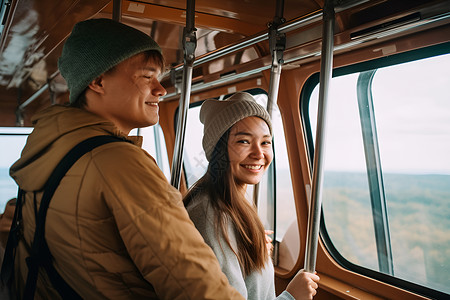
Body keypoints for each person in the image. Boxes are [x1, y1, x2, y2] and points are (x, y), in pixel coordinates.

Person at [7, 18, 244, 299]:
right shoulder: (120, 162)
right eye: (146, 77)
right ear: (98, 81)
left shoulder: (49, 146)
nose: (161, 89)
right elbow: (195, 283)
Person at [184, 92, 320, 300]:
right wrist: (291, 297)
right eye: (244, 142)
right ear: (219, 150)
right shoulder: (209, 216)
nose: (259, 153)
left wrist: (246, 245)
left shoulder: (232, 203)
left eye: (265, 142)